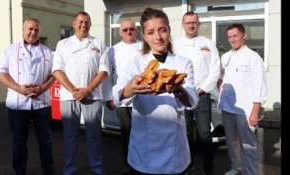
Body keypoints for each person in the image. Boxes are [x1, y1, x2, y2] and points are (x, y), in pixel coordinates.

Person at [112, 7, 199, 175]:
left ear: (169, 31)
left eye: (162, 30)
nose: (158, 37)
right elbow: (117, 96)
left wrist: (177, 89)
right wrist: (131, 88)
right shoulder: (136, 63)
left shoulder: (183, 63)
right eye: (151, 32)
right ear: (144, 36)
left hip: (174, 152)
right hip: (144, 150)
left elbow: (192, 101)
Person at [0, 18, 55, 175]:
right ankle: (19, 171)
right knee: (19, 141)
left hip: (42, 104)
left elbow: (54, 75)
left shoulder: (47, 52)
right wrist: (18, 89)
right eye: (30, 29)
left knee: (46, 140)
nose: (33, 32)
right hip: (18, 103)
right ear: (23, 30)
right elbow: (1, 74)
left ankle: (48, 169)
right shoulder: (10, 50)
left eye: (36, 30)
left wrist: (43, 88)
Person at [52, 11, 109, 175]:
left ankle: (97, 168)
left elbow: (104, 70)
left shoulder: (98, 43)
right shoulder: (63, 44)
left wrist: (87, 90)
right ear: (74, 24)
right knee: (70, 136)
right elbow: (57, 70)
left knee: (94, 135)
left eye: (87, 22)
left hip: (93, 96)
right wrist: (74, 90)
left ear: (90, 25)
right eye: (81, 21)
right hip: (68, 96)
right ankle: (69, 169)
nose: (84, 24)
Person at [173, 11, 220, 175]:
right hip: (182, 95)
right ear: (183, 24)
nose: (191, 25)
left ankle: (208, 168)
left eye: (194, 22)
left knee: (204, 133)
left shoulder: (208, 43)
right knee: (184, 132)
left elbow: (215, 71)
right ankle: (188, 164)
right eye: (188, 23)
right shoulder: (175, 44)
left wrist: (201, 90)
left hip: (202, 94)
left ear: (199, 24)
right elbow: (172, 69)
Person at [217, 23, 267, 175]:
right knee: (231, 142)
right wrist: (221, 87)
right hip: (227, 107)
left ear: (243, 36)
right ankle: (236, 167)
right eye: (230, 37)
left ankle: (251, 172)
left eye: (235, 36)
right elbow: (219, 77)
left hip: (245, 109)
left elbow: (260, 85)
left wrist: (254, 112)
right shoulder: (226, 57)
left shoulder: (253, 57)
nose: (232, 39)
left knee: (248, 144)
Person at [103, 18, 142, 175]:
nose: (129, 32)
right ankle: (128, 163)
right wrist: (109, 96)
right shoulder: (113, 50)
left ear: (136, 30)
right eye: (125, 30)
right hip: (123, 99)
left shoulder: (143, 47)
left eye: (131, 29)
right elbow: (109, 75)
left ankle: (142, 164)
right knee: (126, 134)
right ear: (119, 32)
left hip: (142, 98)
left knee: (142, 134)